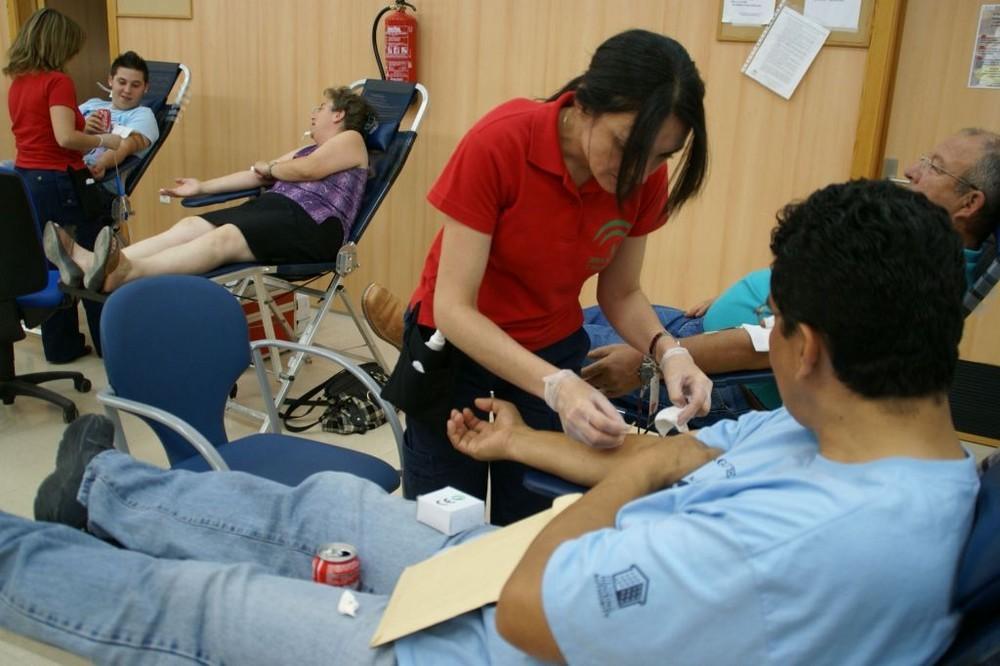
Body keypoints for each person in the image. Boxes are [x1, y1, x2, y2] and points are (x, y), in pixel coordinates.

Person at [0, 179, 978, 664]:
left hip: (522, 631)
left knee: (211, 602)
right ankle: (96, 487)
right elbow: (676, 455)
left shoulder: (812, 545)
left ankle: (16, 555)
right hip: (579, 580)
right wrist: (524, 444)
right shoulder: (865, 437)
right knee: (336, 500)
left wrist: (627, 481)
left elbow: (531, 606)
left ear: (800, 348)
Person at [391, 30, 713, 525]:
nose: (640, 172)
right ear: (585, 105)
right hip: (455, 355)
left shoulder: (643, 177)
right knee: (446, 525)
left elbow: (620, 292)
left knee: (536, 524)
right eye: (627, 147)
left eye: (662, 157)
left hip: (552, 350)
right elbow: (455, 309)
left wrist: (669, 352)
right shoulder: (501, 142)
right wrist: (556, 387)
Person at [582, 128, 1000, 425]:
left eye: (934, 166)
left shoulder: (914, 269)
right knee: (586, 317)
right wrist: (743, 297)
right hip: (699, 336)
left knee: (557, 345)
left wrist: (651, 365)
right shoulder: (926, 246)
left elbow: (769, 344)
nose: (912, 169)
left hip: (713, 375)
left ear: (970, 202)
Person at [42, 86, 374, 293]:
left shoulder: (352, 140)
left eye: (321, 107)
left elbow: (302, 170)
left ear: (339, 114)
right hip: (278, 210)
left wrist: (271, 168)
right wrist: (201, 187)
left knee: (224, 238)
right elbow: (256, 175)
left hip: (315, 226)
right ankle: (92, 264)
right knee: (190, 226)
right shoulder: (304, 150)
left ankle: (127, 273)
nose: (313, 113)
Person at [4, 8, 123, 363]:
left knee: (54, 261)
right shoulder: (57, 80)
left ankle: (61, 348)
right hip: (59, 180)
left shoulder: (19, 80)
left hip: (27, 178)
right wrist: (105, 140)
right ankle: (108, 344)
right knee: (92, 258)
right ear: (60, 44)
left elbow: (43, 131)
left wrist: (80, 126)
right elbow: (64, 138)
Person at [78, 50, 160, 182]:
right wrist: (83, 130)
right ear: (110, 81)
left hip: (91, 181)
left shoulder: (143, 115)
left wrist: (102, 163)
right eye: (122, 82)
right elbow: (61, 136)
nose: (127, 90)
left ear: (145, 88)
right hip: (59, 164)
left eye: (135, 85)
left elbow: (125, 146)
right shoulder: (91, 104)